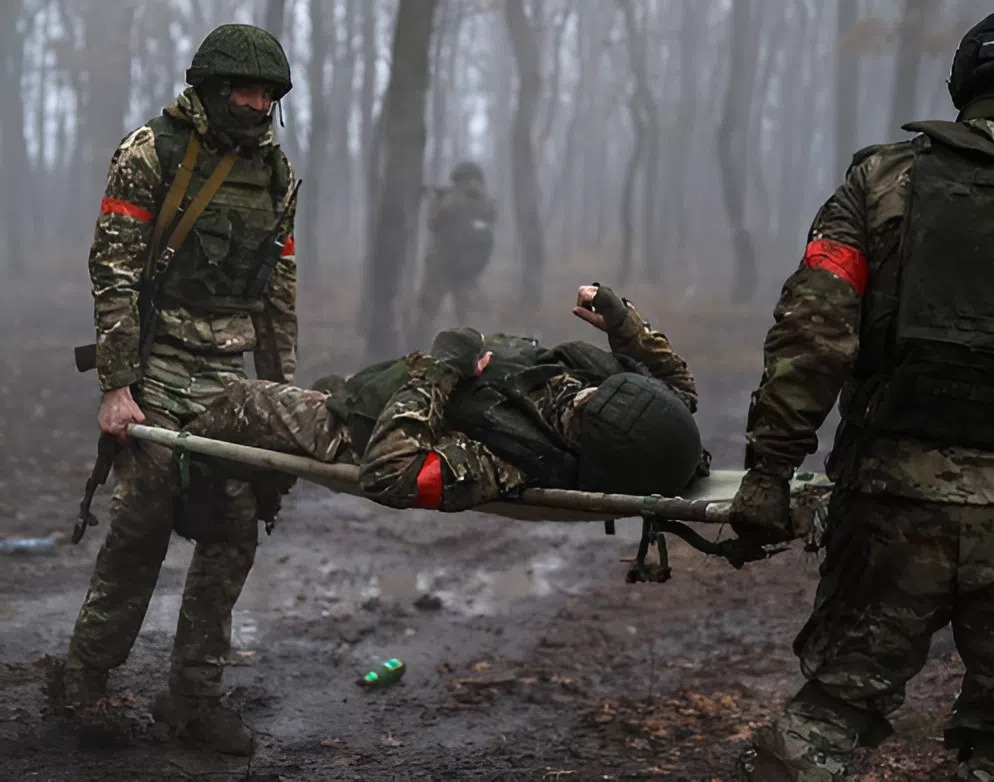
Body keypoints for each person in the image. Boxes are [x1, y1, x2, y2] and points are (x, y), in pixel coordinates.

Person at [729, 5, 994, 781]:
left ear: (968, 86)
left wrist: (769, 474)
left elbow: (811, 335)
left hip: (894, 502)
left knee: (831, 713)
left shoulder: (882, 182)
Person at [58, 23, 299, 756]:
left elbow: (277, 294)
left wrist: (282, 398)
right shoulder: (150, 152)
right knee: (142, 522)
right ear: (214, 88)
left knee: (233, 528)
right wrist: (117, 385)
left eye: (267, 94)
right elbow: (114, 272)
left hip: (228, 376)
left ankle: (193, 700)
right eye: (245, 90)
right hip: (156, 359)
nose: (257, 104)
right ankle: (84, 681)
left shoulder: (276, 174)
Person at [183, 285, 706, 515]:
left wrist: (442, 368)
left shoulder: (509, 462)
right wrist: (623, 322)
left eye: (584, 410)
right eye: (599, 391)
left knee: (227, 402)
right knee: (331, 383)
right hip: (386, 385)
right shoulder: (647, 413)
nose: (580, 394)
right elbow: (678, 386)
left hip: (355, 429)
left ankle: (184, 474)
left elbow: (390, 473)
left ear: (590, 448)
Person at [407, 160, 498, 339]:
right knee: (467, 318)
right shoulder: (488, 203)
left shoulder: (449, 199)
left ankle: (417, 347)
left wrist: (435, 200)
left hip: (441, 263)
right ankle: (470, 351)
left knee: (427, 311)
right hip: (468, 266)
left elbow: (433, 223)